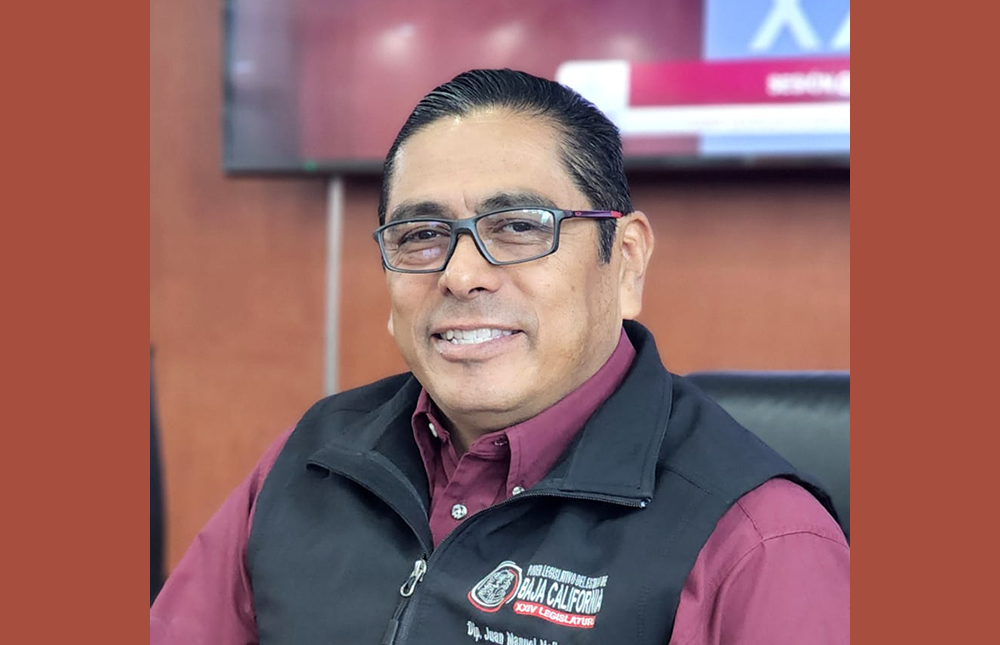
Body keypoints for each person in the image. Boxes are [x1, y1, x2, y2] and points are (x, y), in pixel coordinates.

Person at [151, 69, 849, 645]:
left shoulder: (760, 542)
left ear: (626, 261)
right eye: (421, 234)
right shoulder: (308, 463)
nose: (460, 275)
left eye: (518, 226)